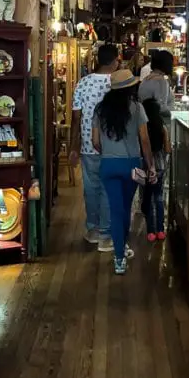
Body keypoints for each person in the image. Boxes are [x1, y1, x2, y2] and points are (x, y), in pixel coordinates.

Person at [92, 69, 155, 274]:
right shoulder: (137, 108)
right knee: (124, 210)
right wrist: (151, 165)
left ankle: (119, 256)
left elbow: (95, 142)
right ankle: (122, 247)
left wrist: (109, 152)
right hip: (131, 166)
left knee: (115, 209)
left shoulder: (100, 110)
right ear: (130, 87)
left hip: (108, 165)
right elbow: (144, 140)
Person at [69, 44, 120, 251]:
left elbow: (75, 118)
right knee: (109, 189)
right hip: (113, 146)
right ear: (115, 60)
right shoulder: (117, 84)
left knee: (91, 189)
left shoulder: (83, 83)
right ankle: (106, 235)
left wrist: (73, 146)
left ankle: (93, 230)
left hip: (88, 145)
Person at [141, 98, 170, 242]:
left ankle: (150, 231)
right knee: (158, 198)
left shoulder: (143, 127)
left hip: (145, 164)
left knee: (148, 197)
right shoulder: (162, 127)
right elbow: (168, 148)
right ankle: (160, 230)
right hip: (160, 165)